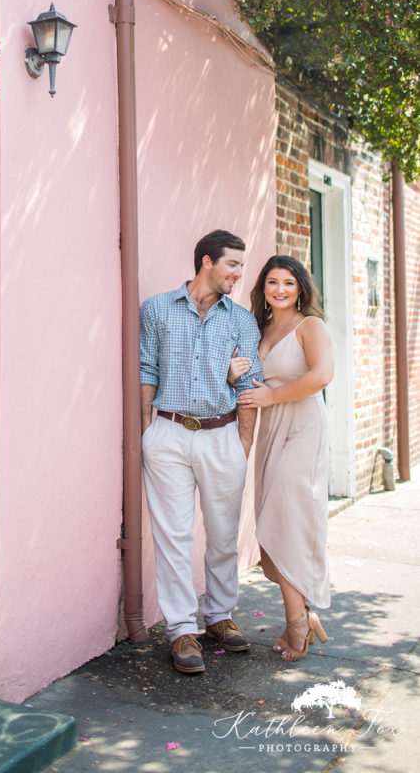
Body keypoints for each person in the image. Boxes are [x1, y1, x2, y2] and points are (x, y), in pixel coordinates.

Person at [140, 230, 262, 674]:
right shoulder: (156, 309)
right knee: (172, 536)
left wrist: (243, 443)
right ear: (206, 263)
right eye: (233, 265)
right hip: (168, 432)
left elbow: (249, 386)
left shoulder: (242, 321)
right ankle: (180, 630)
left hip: (222, 435)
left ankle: (220, 616)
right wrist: (146, 432)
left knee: (224, 533)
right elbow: (146, 368)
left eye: (242, 267)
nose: (238, 274)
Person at [231, 254, 334, 662]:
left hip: (303, 427)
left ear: (301, 289)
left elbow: (322, 376)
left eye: (288, 283)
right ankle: (299, 615)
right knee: (270, 521)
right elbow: (251, 379)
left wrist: (271, 395)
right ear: (263, 288)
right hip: (270, 428)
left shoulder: (311, 326)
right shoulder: (260, 327)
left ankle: (297, 623)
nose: (280, 290)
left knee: (289, 517)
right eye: (272, 282)